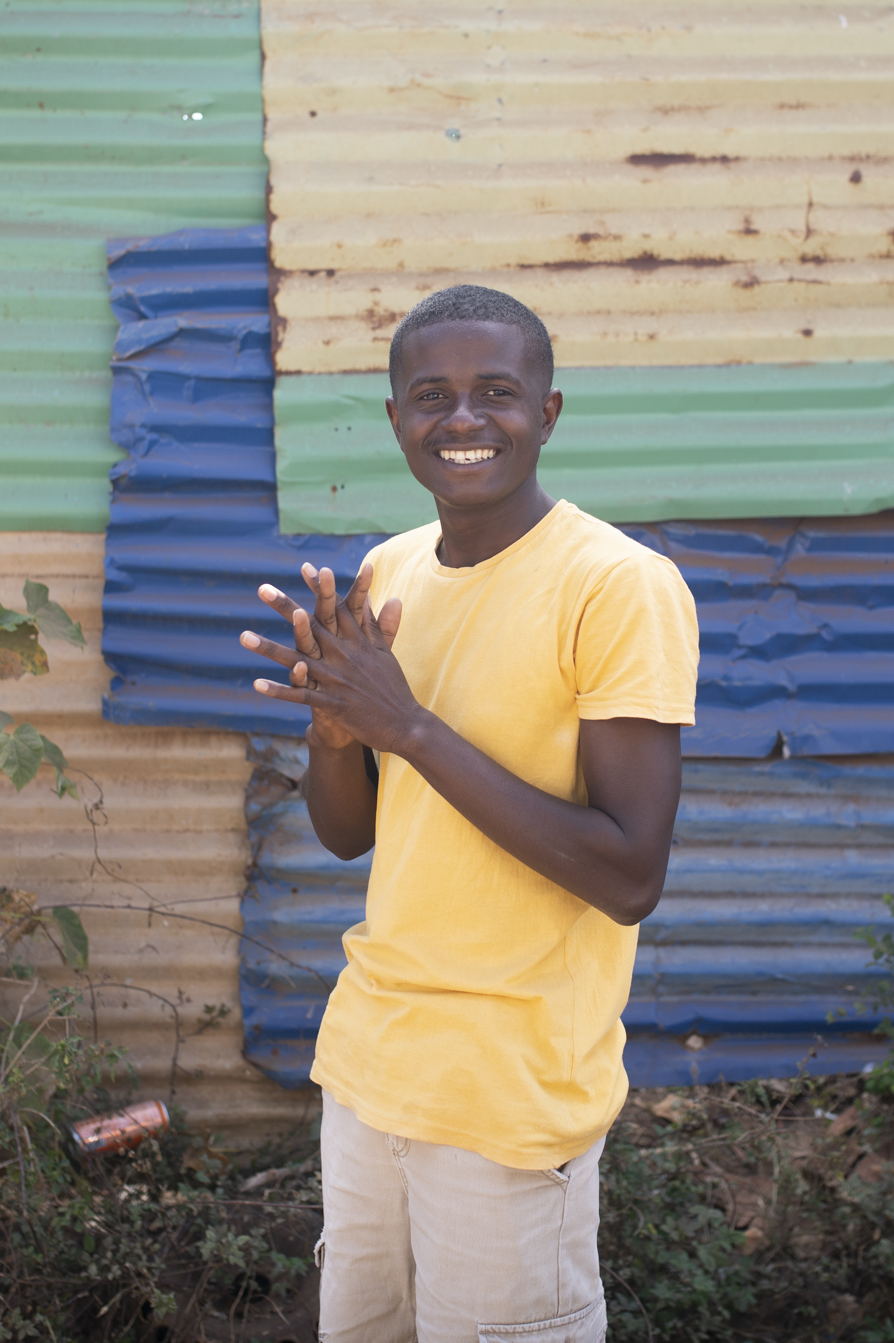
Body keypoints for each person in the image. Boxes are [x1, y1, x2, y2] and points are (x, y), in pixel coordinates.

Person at [239, 285, 699, 1342]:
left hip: (509, 1094)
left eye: (495, 391)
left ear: (548, 411)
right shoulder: (390, 571)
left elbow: (630, 875)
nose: (462, 419)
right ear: (395, 418)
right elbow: (351, 835)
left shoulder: (616, 586)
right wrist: (335, 732)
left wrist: (407, 726)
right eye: (431, 395)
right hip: (372, 1067)